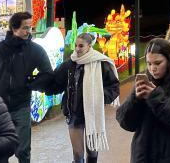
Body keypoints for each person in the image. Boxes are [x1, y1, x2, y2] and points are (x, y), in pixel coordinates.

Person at [116, 38, 170, 163]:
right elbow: (126, 123)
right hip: (144, 155)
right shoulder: (145, 82)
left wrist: (157, 99)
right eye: (149, 63)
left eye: (158, 63)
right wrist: (135, 100)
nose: (152, 68)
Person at [0, 11, 53, 163]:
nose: (29, 31)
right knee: (0, 150)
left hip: (22, 106)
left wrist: (30, 84)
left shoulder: (36, 50)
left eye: (30, 27)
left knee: (23, 151)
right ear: (14, 28)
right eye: (25, 28)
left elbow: (47, 73)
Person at [46, 33, 120, 163]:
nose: (77, 49)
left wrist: (99, 97)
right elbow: (55, 82)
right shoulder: (70, 64)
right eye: (76, 45)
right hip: (74, 114)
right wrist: (40, 84)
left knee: (92, 152)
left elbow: (114, 87)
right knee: (77, 155)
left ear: (89, 46)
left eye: (81, 46)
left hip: (93, 114)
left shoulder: (100, 63)